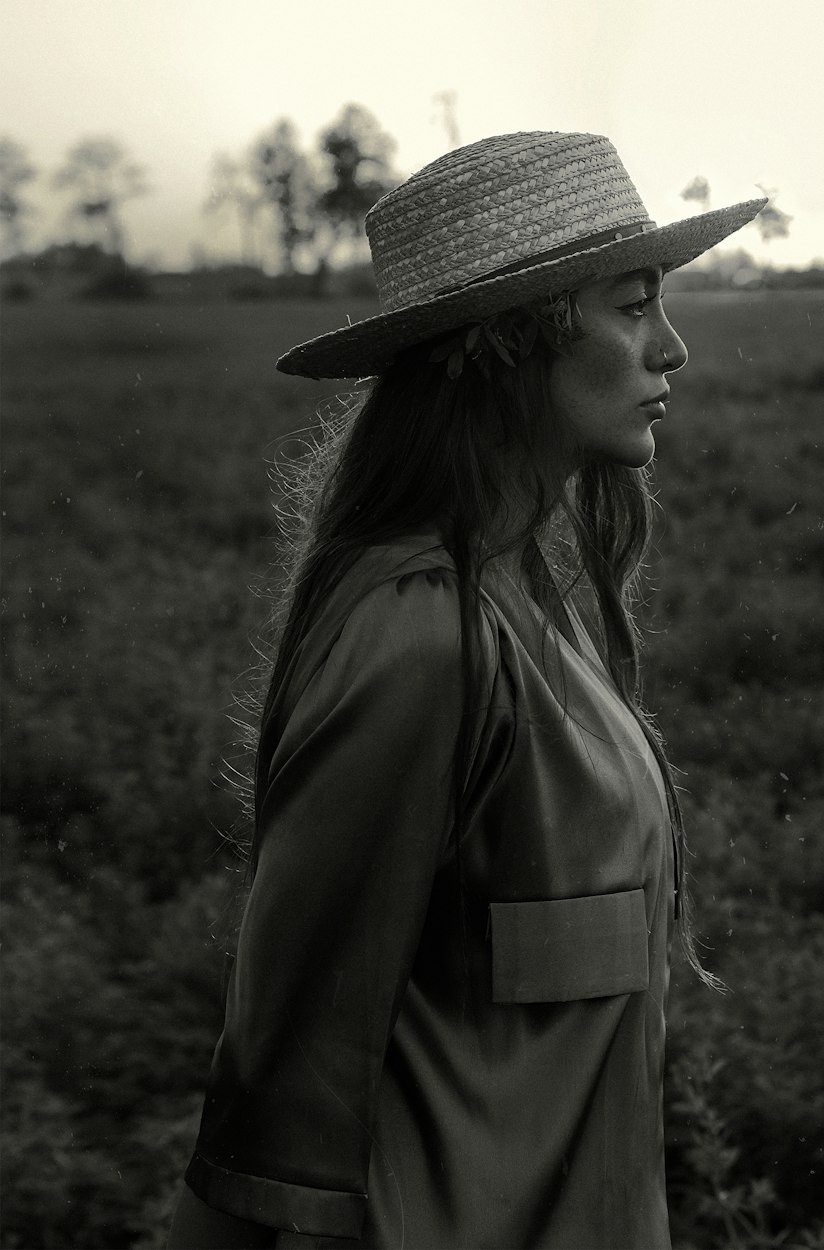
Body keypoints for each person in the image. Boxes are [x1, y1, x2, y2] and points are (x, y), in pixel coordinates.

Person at [168, 130, 764, 1250]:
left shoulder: (522, 601)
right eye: (633, 308)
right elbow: (282, 1082)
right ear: (506, 346)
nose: (673, 349)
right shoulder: (420, 637)